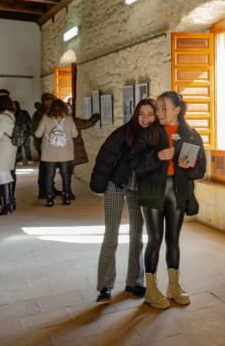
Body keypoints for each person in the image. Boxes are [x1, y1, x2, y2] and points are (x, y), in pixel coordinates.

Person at [130, 91, 206, 309]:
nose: (159, 113)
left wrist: (189, 166)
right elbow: (135, 163)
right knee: (155, 238)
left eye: (164, 108)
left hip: (178, 190)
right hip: (153, 191)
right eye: (158, 108)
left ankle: (174, 286)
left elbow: (201, 168)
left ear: (177, 110)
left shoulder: (191, 135)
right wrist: (157, 157)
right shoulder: (148, 133)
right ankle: (152, 290)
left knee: (173, 239)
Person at [91, 99, 155, 302]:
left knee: (137, 235)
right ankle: (105, 285)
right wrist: (98, 186)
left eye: (150, 114)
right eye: (141, 114)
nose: (145, 118)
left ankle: (135, 281)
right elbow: (105, 157)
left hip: (139, 190)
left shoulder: (157, 137)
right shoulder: (124, 133)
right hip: (115, 186)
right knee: (111, 235)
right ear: (135, 115)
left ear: (155, 116)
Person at [34, 99, 78, 207]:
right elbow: (75, 134)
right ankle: (67, 196)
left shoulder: (45, 118)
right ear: (64, 107)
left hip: (49, 153)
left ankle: (49, 198)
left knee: (49, 176)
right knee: (66, 175)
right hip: (65, 153)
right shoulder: (68, 119)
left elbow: (38, 134)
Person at [69, 113, 101, 200]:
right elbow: (88, 123)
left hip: (58, 150)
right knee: (68, 172)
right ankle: (67, 192)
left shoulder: (54, 121)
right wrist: (97, 116)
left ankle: (51, 193)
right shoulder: (73, 121)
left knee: (64, 172)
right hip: (71, 150)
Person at [31, 93, 56, 199]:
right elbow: (36, 130)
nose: (51, 101)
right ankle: (43, 191)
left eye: (52, 99)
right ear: (44, 101)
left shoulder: (48, 112)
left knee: (50, 168)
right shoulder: (39, 113)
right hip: (43, 145)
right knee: (45, 169)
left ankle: (51, 189)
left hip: (50, 144)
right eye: (49, 99)